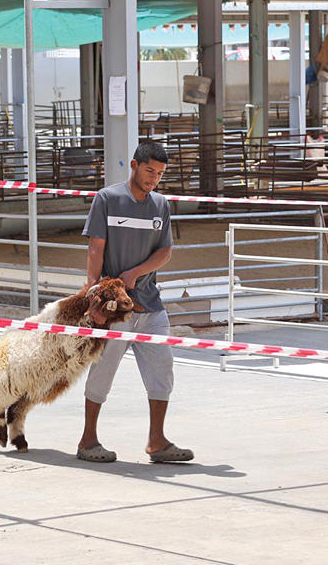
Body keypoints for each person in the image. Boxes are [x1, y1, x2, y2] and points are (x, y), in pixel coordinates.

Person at [77, 140, 194, 464]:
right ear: (133, 165)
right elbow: (95, 248)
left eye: (159, 174)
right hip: (114, 310)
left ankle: (157, 442)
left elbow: (165, 251)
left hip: (150, 306)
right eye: (148, 171)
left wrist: (136, 273)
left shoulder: (160, 206)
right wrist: (94, 296)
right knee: (103, 372)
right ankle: (88, 441)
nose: (153, 178)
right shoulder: (107, 199)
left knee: (162, 368)